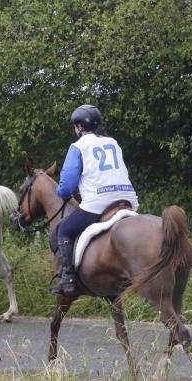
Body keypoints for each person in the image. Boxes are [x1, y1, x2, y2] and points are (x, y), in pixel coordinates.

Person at [52, 104, 139, 295]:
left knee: (63, 230)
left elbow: (66, 186)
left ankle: (67, 278)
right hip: (127, 199)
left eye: (75, 126)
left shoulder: (78, 146)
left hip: (99, 203)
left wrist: (62, 193)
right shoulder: (113, 142)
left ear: (80, 127)